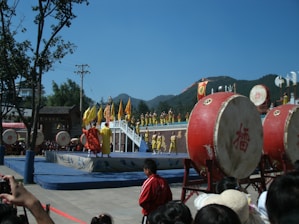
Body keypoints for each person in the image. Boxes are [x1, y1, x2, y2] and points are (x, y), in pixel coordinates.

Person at [139, 158, 172, 224]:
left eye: (144, 169)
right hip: (161, 214)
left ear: (148, 170)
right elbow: (169, 198)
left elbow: (142, 201)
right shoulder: (163, 181)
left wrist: (151, 208)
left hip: (150, 215)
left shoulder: (149, 182)